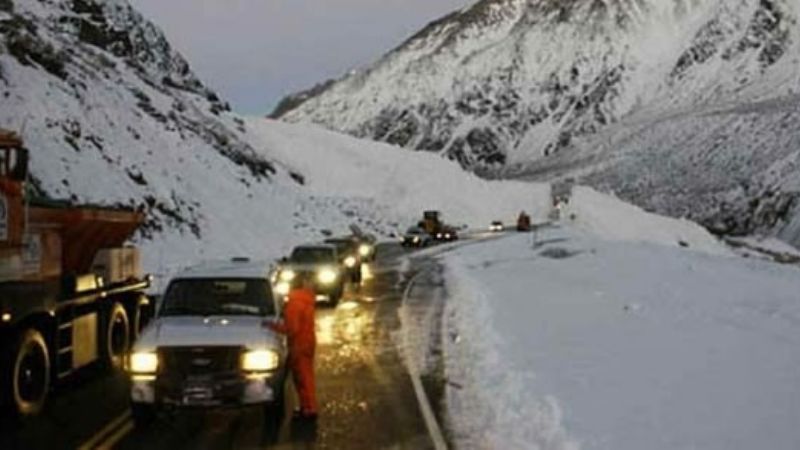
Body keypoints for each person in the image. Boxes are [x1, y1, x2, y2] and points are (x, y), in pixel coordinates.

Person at [269, 273, 318, 419]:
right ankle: (307, 406)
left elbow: (292, 329)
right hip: (307, 342)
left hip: (299, 345)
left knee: (302, 378)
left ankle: (309, 409)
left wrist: (273, 327)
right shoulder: (306, 300)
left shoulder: (294, 304)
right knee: (305, 376)